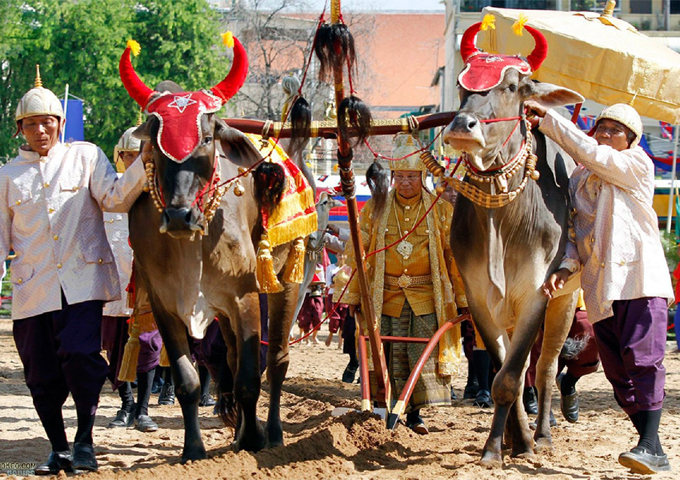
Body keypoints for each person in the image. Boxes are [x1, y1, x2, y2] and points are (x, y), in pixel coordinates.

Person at [1, 71, 146, 475]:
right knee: (40, 376)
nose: (40, 129)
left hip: (83, 284)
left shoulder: (85, 156)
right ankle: (58, 448)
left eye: (47, 121)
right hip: (33, 290)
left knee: (82, 357)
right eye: (31, 123)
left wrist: (145, 160)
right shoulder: (8, 176)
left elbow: (116, 198)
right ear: (20, 130)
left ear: (60, 124)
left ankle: (84, 441)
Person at [533, 102, 674, 474]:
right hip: (600, 289)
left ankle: (648, 444)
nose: (605, 135)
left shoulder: (637, 165)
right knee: (617, 373)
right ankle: (652, 448)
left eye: (615, 130)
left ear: (631, 140)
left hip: (639, 281)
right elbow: (575, 236)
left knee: (643, 362)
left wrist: (549, 120)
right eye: (601, 128)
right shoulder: (580, 178)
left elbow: (594, 154)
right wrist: (564, 268)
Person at [344, 133, 467, 435]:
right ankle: (384, 408)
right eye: (401, 176)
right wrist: (352, 293)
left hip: (426, 297)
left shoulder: (440, 210)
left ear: (422, 176)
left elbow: (455, 258)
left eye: (412, 176)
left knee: (419, 356)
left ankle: (416, 415)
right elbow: (356, 253)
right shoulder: (374, 209)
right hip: (385, 296)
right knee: (388, 355)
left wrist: (464, 299)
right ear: (393, 176)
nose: (406, 182)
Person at [101, 126, 161, 433]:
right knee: (115, 349)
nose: (132, 159)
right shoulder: (106, 191)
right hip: (113, 286)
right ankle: (125, 404)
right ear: (119, 156)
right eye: (127, 154)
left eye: (138, 153)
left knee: (149, 346)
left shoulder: (155, 193)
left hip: (145, 285)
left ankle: (143, 409)